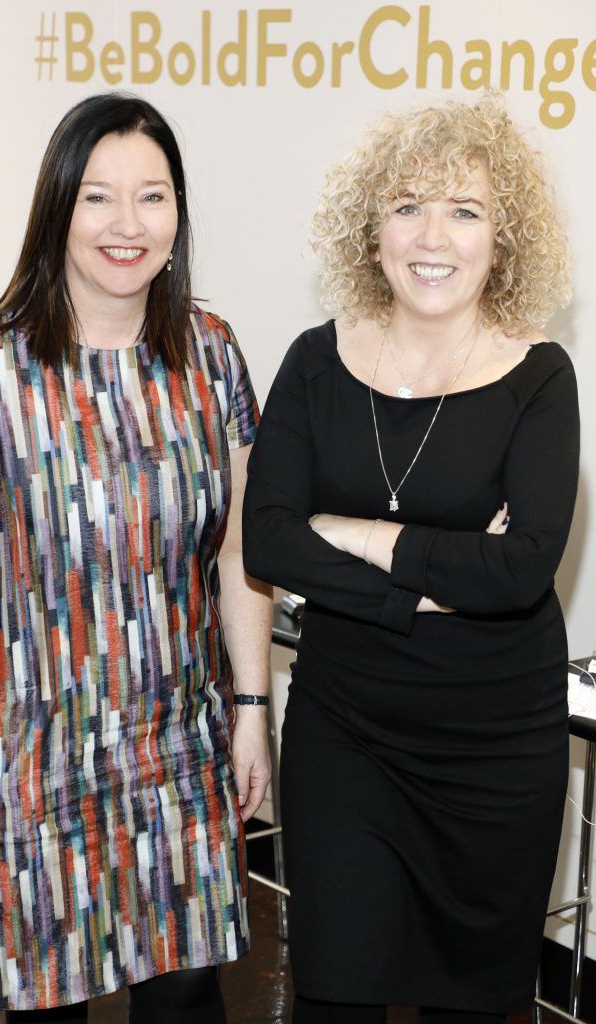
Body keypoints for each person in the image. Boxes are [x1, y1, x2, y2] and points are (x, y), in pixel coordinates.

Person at [0, 92, 272, 1022]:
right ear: (56, 208)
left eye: (152, 196)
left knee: (188, 1000)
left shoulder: (212, 356)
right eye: (98, 197)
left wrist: (254, 709)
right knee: (43, 1000)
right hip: (34, 751)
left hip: (178, 748)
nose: (125, 223)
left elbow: (238, 550)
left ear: (178, 217)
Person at [243, 92, 578, 1023]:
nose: (433, 236)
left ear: (501, 238)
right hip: (345, 735)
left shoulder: (540, 376)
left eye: (464, 210)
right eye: (406, 206)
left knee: (472, 1009)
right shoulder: (315, 360)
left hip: (494, 754)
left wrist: (353, 535)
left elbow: (520, 570)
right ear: (371, 229)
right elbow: (267, 537)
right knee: (333, 997)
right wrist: (426, 585)